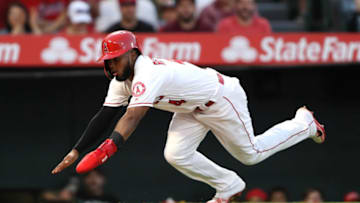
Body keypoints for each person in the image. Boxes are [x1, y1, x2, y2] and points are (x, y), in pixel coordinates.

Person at [51, 30, 326, 203]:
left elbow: (133, 116)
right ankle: (228, 185)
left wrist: (108, 149)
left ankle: (303, 123)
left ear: (133, 54)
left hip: (220, 98)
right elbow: (106, 115)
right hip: (191, 109)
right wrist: (77, 150)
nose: (112, 65)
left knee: (250, 154)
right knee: (175, 154)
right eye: (108, 61)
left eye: (117, 59)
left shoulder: (148, 72)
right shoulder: (121, 80)